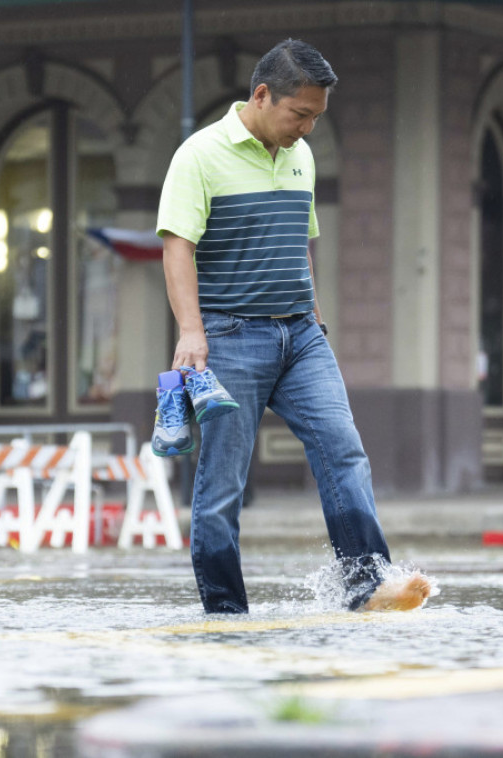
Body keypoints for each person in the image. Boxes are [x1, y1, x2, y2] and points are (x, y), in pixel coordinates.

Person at [156, 38, 431, 614]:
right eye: (299, 114)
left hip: (303, 336)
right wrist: (190, 331)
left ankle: (366, 586)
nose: (307, 128)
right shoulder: (199, 156)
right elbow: (177, 246)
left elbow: (299, 242)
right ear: (261, 95)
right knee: (222, 485)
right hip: (229, 336)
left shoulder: (300, 155)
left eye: (316, 117)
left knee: (344, 450)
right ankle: (225, 612)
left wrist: (317, 317)